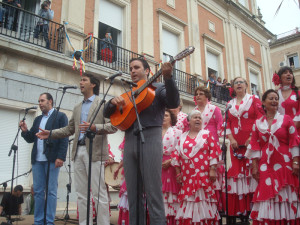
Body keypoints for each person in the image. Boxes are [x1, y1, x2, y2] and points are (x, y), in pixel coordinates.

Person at [104, 58, 180, 225]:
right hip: (130, 138)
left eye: (136, 67)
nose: (132, 71)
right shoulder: (128, 93)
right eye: (130, 68)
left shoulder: (158, 88)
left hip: (151, 138)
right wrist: (111, 103)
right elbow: (107, 113)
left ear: (147, 71)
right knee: (133, 194)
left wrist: (168, 78)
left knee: (153, 192)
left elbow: (174, 102)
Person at [36, 73, 117, 225]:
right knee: (81, 194)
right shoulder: (77, 107)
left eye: (84, 80)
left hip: (95, 152)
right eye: (80, 80)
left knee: (99, 193)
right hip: (78, 151)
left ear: (93, 84)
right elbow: (69, 129)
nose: (81, 82)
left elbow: (113, 126)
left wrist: (94, 127)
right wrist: (51, 133)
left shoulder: (102, 103)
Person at [245, 89, 300, 225]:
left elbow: (294, 141)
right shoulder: (258, 123)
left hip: (284, 163)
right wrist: (255, 167)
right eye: (271, 98)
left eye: (276, 98)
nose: (275, 101)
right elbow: (254, 145)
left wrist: (296, 162)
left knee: (284, 195)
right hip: (265, 164)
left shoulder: (286, 119)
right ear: (263, 102)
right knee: (267, 194)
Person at [20, 92, 68, 225]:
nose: (40, 103)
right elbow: (31, 138)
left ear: (50, 101)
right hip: (37, 160)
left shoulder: (60, 116)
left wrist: (61, 157)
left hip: (52, 159)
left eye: (42, 100)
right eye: (39, 101)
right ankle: (39, 221)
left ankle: (49, 221)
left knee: (51, 191)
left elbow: (64, 137)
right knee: (38, 192)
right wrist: (25, 131)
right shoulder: (37, 119)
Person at [171, 110, 220, 224]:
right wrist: (178, 173)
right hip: (187, 177)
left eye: (200, 118)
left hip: (203, 176)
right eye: (195, 117)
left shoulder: (206, 134)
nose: (198, 119)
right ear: (189, 121)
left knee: (203, 200)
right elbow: (176, 156)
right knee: (189, 201)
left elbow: (213, 152)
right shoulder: (182, 137)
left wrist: (212, 169)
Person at [225, 77, 263, 223]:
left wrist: (252, 137)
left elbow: (260, 118)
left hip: (252, 143)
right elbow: (227, 122)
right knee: (237, 177)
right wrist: (232, 139)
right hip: (235, 146)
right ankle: (241, 213)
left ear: (247, 86)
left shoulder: (254, 99)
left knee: (251, 175)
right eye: (236, 82)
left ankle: (254, 212)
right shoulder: (229, 104)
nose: (239, 84)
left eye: (241, 82)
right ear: (233, 88)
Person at [161, 109, 182, 225]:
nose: (163, 117)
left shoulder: (177, 132)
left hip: (171, 167)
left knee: (170, 195)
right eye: (162, 115)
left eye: (166, 115)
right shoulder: (154, 132)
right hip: (156, 167)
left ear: (171, 118)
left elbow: (179, 151)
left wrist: (170, 161)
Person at [275, 66, 300, 134]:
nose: (289, 74)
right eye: (285, 73)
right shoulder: (275, 94)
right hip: (279, 132)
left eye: (290, 73)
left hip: (297, 131)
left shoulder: (298, 93)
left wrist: (291, 128)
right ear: (279, 77)